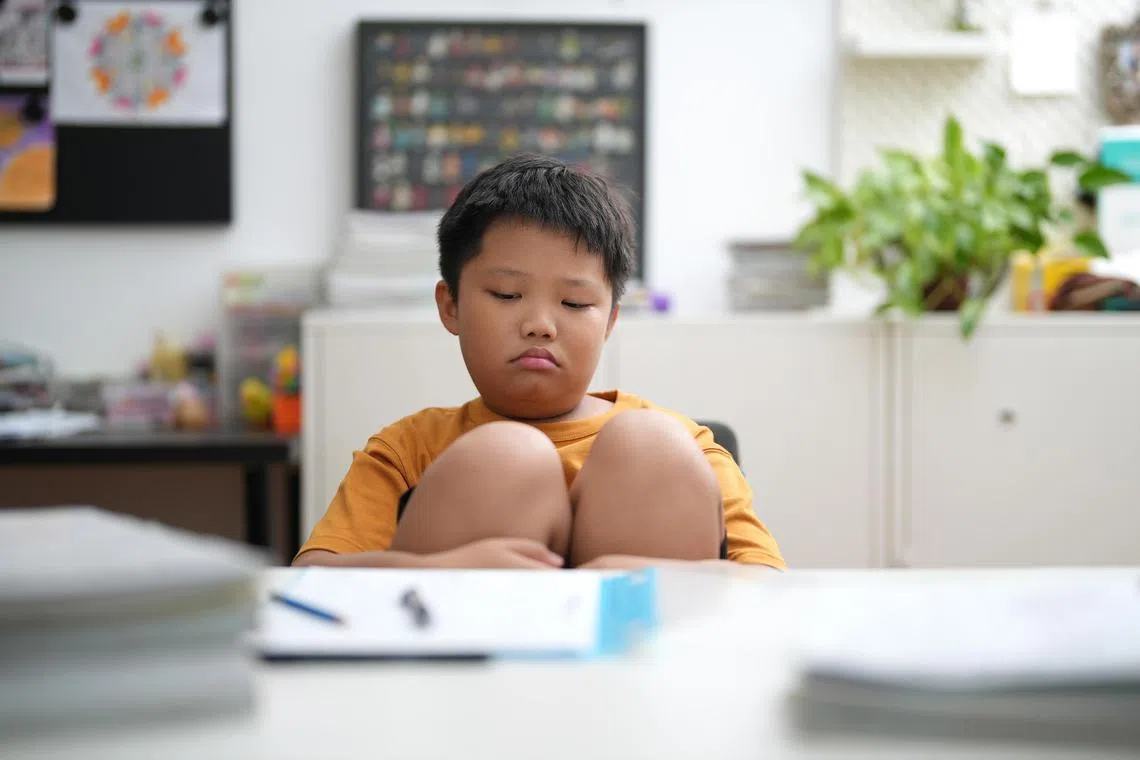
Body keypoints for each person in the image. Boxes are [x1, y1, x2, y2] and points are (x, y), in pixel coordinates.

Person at [295, 154, 785, 570]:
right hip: (463, 669)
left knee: (650, 443)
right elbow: (309, 581)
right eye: (507, 294)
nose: (541, 325)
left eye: (574, 304)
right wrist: (440, 573)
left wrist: (656, 580)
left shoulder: (688, 446)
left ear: (610, 321)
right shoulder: (407, 452)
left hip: (637, 669)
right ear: (451, 306)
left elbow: (770, 592)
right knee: (505, 456)